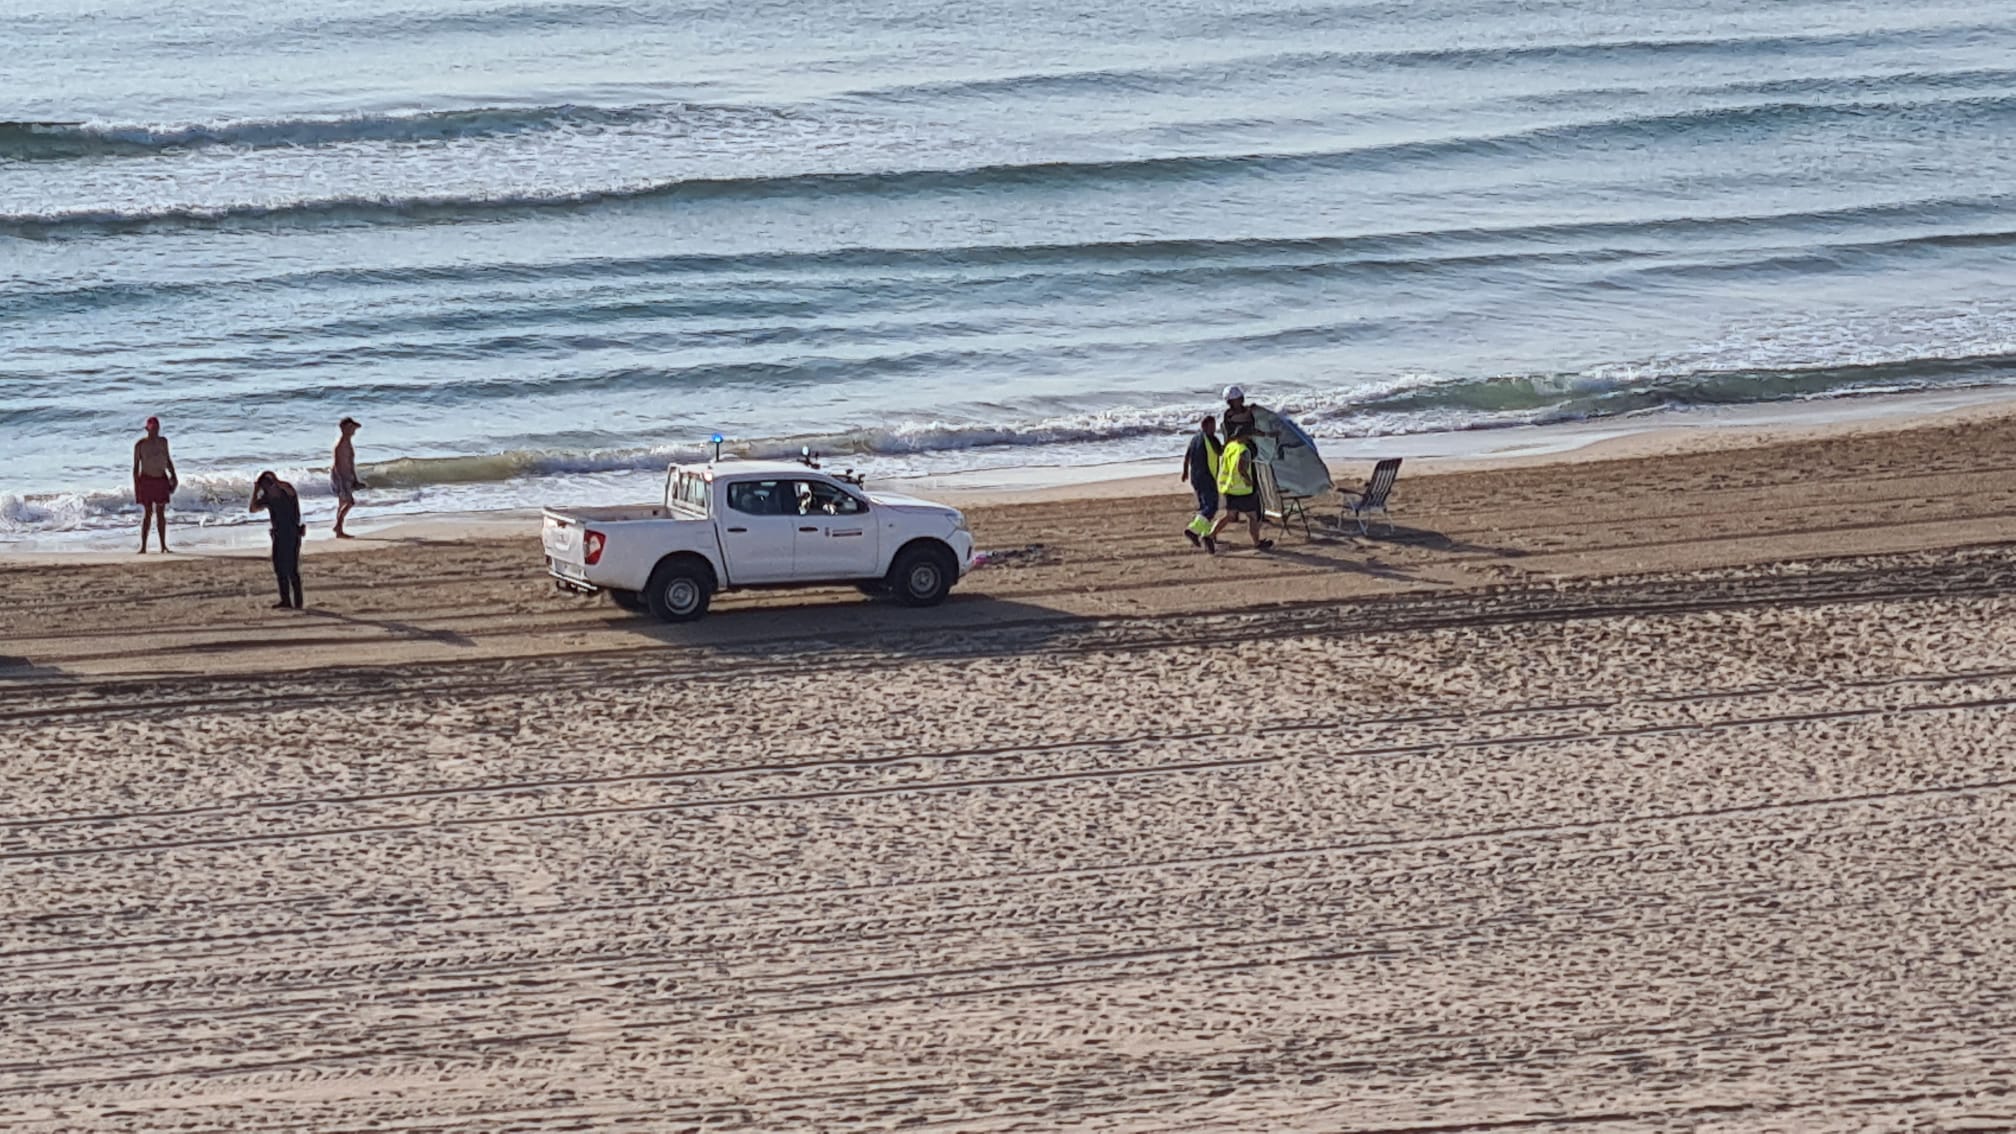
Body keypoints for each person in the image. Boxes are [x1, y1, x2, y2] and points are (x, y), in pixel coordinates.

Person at [1206, 423, 1274, 553]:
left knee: (1229, 516)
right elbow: (1241, 468)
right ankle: (1257, 542)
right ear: (1246, 436)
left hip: (1229, 487)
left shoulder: (1230, 447)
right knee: (1253, 516)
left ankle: (1210, 535)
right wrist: (1248, 481)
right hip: (1242, 489)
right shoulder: (1243, 450)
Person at [250, 471, 305, 609]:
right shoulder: (268, 498)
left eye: (267, 486)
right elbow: (253, 508)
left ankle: (298, 602)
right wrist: (255, 490)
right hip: (278, 535)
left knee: (292, 569)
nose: (267, 490)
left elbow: (290, 489)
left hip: (292, 533)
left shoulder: (286, 492)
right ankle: (285, 600)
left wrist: (275, 480)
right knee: (279, 568)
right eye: (264, 488)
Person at [131, 416, 178, 554]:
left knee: (161, 513)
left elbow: (168, 460)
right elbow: (136, 467)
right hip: (146, 479)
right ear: (148, 429)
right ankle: (144, 546)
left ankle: (163, 546)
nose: (155, 431)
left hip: (161, 479)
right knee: (148, 513)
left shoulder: (163, 442)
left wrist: (173, 475)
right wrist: (136, 485)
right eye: (152, 429)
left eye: (157, 429)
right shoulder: (140, 445)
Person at [1180, 414, 1221, 548]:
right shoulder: (1211, 439)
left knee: (1205, 506)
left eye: (1214, 426)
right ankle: (1192, 530)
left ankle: (1206, 535)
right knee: (1211, 507)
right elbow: (1221, 452)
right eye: (1212, 426)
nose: (1214, 429)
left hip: (1195, 477)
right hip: (1207, 477)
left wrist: (1185, 471)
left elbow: (1187, 456)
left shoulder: (1194, 439)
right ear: (1205, 426)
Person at [331, 417, 364, 538]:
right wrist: (341, 480)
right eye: (350, 428)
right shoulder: (341, 445)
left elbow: (350, 463)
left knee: (342, 503)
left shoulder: (347, 443)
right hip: (341, 476)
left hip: (346, 475)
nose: (353, 431)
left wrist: (354, 479)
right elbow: (338, 464)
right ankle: (338, 527)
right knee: (349, 502)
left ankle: (338, 528)